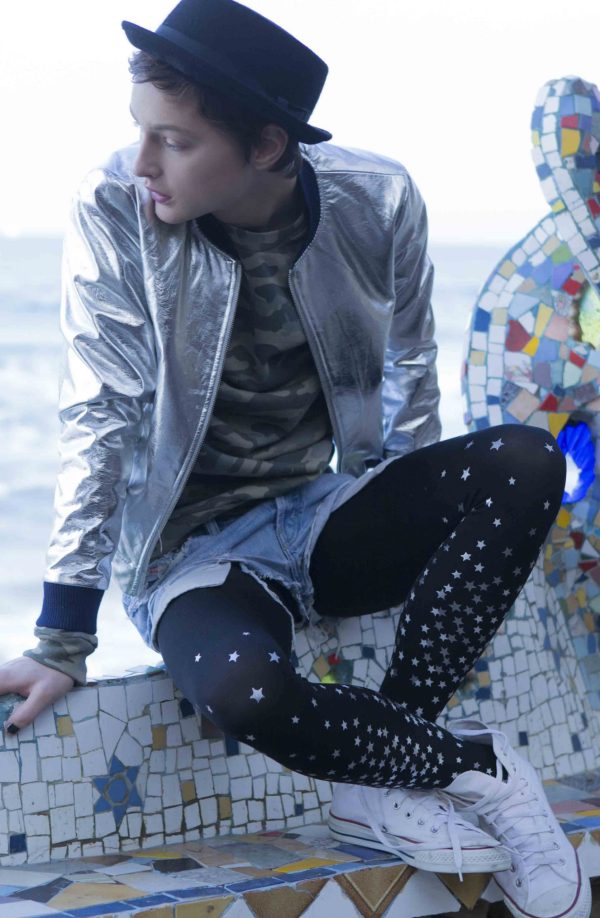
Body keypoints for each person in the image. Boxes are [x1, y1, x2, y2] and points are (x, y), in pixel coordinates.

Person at [0, 1, 588, 915]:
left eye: (174, 141)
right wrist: (63, 637)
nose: (143, 162)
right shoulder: (116, 204)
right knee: (245, 693)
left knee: (528, 461)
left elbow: (410, 368)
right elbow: (101, 409)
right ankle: (468, 764)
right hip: (191, 554)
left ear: (268, 146)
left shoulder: (377, 196)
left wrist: (403, 523)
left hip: (324, 514)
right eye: (140, 132)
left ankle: (382, 776)